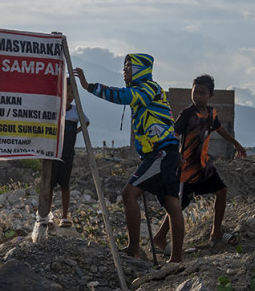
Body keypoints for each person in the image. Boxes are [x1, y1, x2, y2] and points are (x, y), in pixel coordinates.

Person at [75, 53, 184, 262]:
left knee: (129, 194)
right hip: (162, 153)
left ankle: (135, 249)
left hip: (161, 154)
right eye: (124, 66)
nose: (125, 70)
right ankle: (175, 260)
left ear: (142, 69)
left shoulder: (148, 88)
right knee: (171, 204)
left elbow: (124, 96)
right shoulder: (144, 90)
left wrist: (90, 86)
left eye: (129, 66)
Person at [152, 74, 247, 249]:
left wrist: (237, 144)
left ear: (210, 95)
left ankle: (216, 232)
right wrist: (174, 156)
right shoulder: (188, 114)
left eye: (202, 93)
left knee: (222, 191)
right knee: (180, 205)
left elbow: (220, 130)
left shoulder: (211, 114)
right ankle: (159, 237)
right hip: (186, 167)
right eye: (195, 92)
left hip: (203, 166)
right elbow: (174, 135)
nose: (197, 96)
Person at [49, 82, 89, 227]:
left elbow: (86, 122)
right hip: (53, 153)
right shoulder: (56, 110)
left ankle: (65, 216)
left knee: (65, 185)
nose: (70, 96)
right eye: (68, 92)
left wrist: (74, 133)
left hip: (68, 153)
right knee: (50, 185)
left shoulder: (75, 111)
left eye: (73, 93)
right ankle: (47, 215)